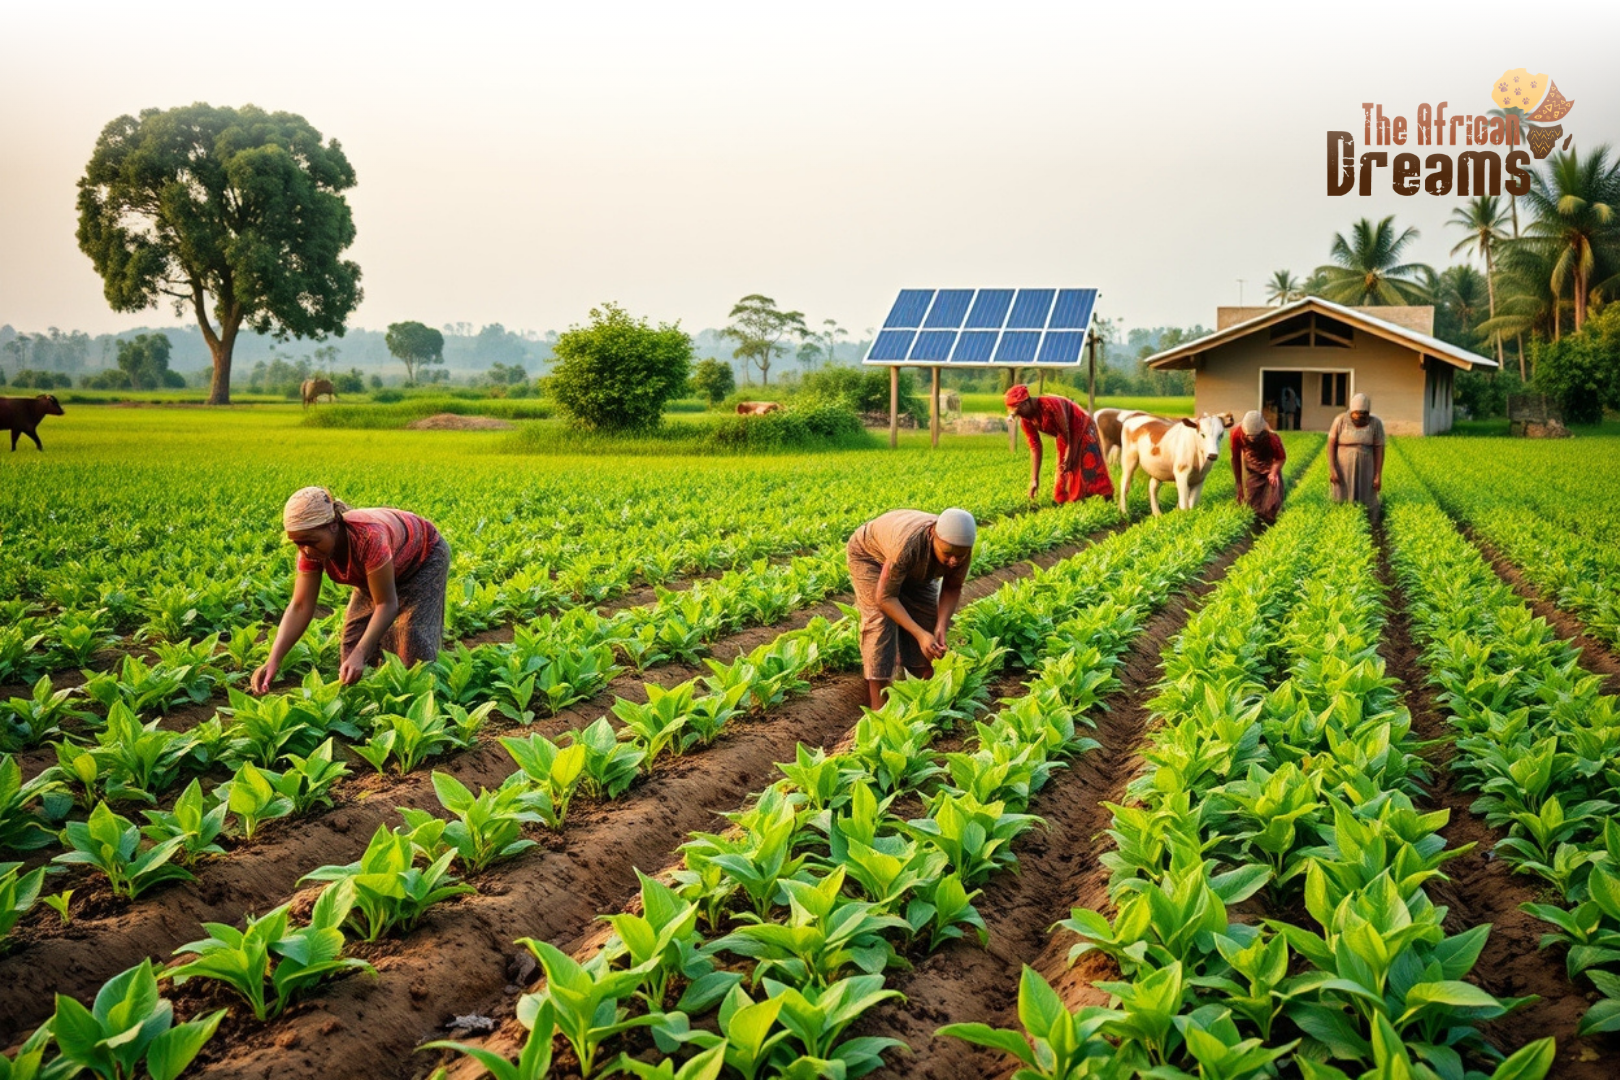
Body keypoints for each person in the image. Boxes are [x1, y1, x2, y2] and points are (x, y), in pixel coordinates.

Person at [251, 487, 451, 692]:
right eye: (298, 544)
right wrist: (273, 660)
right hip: (378, 566)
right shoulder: (309, 551)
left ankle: (421, 698)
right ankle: (370, 697)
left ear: (333, 526)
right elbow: (300, 606)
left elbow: (387, 604)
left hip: (423, 558)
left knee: (410, 639)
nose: (306, 550)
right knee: (352, 641)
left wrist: (361, 653)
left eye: (311, 541)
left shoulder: (368, 537)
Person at [846, 508, 976, 710]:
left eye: (959, 556)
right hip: (871, 557)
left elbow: (952, 587)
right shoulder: (909, 546)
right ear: (933, 534)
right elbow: (886, 597)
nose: (953, 561)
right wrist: (919, 634)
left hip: (914, 567)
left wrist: (939, 627)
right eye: (948, 554)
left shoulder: (959, 549)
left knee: (928, 620)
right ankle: (878, 711)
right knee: (879, 624)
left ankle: (923, 699)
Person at [1004, 385, 1114, 504]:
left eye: (1019, 410)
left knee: (1090, 465)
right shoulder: (1026, 419)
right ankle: (1070, 504)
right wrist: (1034, 479)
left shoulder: (1050, 404)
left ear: (1026, 403)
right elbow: (1035, 447)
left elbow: (1065, 429)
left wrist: (1070, 453)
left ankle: (1108, 500)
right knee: (1064, 471)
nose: (1019, 415)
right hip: (1063, 436)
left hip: (1082, 427)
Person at [1328, 392, 1385, 525]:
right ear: (1351, 412)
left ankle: (1368, 526)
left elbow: (1379, 449)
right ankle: (1341, 524)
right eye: (1357, 415)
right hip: (1343, 467)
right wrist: (1332, 469)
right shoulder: (1340, 420)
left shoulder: (1375, 423)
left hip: (1367, 467)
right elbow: (1331, 445)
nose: (1361, 418)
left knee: (1367, 496)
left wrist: (1377, 474)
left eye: (1364, 415)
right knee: (1343, 495)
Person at [1231, 411, 1287, 525]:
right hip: (1253, 467)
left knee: (1272, 504)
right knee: (1254, 505)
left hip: (1270, 465)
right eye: (1249, 436)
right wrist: (1239, 486)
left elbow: (1281, 458)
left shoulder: (1272, 437)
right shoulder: (1236, 433)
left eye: (1256, 436)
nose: (1252, 439)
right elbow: (1235, 459)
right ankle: (1257, 527)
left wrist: (1273, 473)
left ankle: (1271, 524)